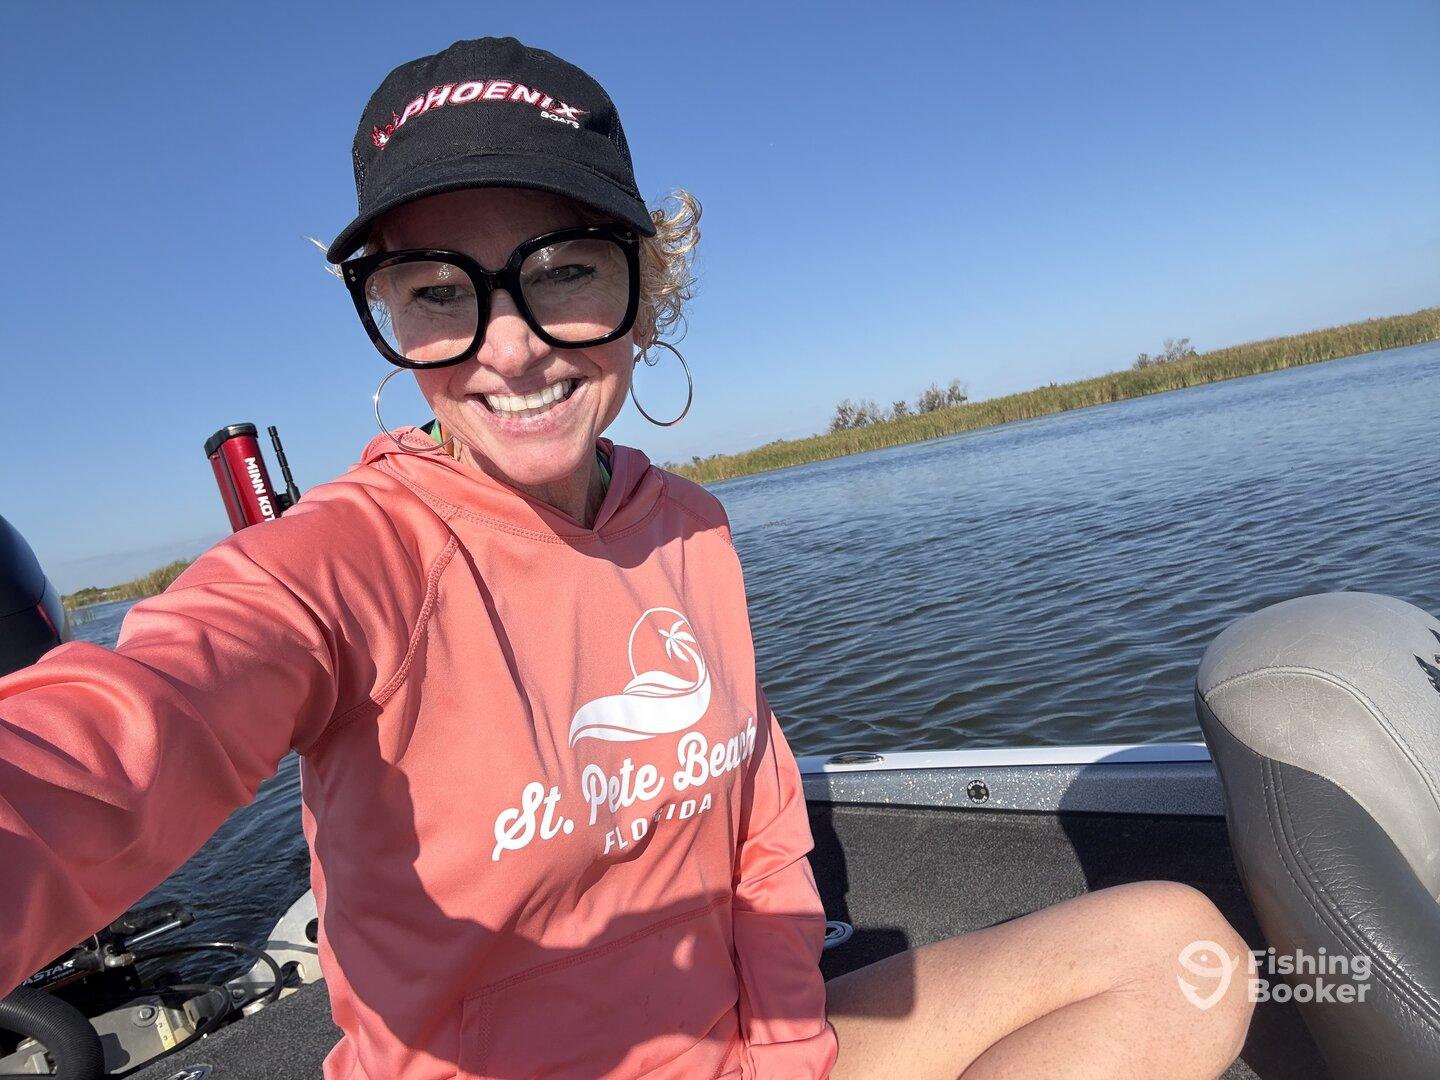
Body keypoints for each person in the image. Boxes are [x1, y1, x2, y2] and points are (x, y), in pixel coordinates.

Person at [0, 36, 1253, 1079]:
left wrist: (786, 1054)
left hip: (735, 1054)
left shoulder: (692, 527)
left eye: (565, 273)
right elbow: (123, 735)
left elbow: (760, 832)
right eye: (439, 291)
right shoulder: (347, 559)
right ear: (391, 321)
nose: (512, 349)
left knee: (1181, 957)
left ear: (646, 294)